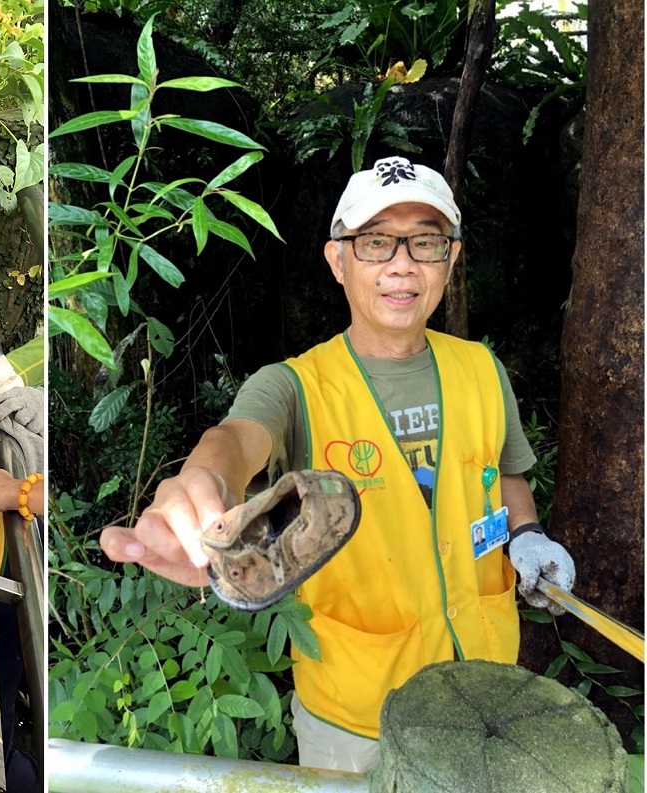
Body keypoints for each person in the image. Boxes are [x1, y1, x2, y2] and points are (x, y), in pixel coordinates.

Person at [99, 157, 577, 772]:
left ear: (450, 260)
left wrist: (528, 535)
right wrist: (203, 484)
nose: (402, 264)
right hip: (358, 715)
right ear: (338, 261)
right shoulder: (295, 386)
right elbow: (239, 438)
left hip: (487, 693)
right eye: (376, 243)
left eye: (425, 242)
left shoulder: (482, 369)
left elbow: (504, 471)